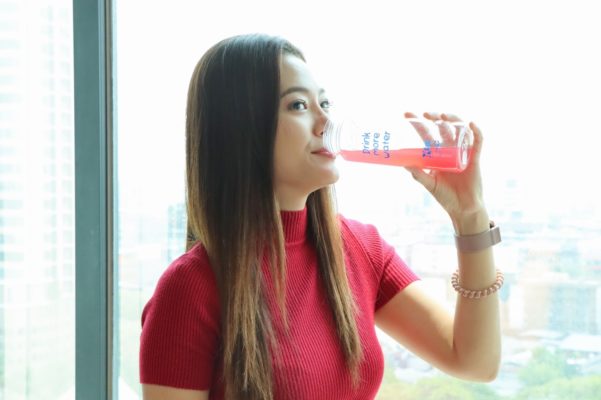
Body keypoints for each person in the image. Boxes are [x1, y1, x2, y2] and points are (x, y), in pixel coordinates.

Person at [139, 33, 502, 400]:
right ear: (240, 127)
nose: (326, 122)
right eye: (298, 105)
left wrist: (470, 215)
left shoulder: (361, 248)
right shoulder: (189, 289)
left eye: (324, 103)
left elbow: (475, 361)